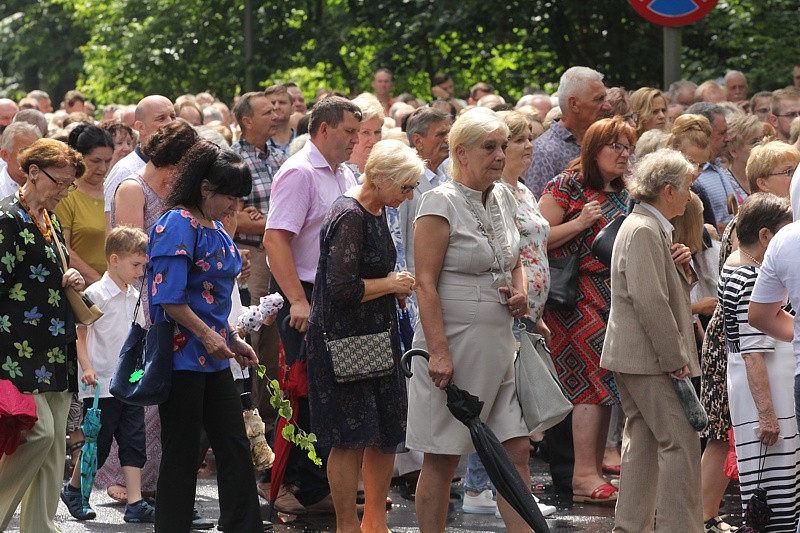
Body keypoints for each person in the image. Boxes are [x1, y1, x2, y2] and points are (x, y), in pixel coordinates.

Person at [407, 107, 531, 532]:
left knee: (515, 448)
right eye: (489, 147)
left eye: (503, 146)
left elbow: (514, 258)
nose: (500, 155)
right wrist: (438, 352)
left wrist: (522, 292)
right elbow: (424, 282)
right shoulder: (437, 201)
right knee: (444, 454)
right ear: (460, 152)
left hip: (500, 339)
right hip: (454, 342)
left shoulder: (503, 195)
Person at [305, 139, 422, 532]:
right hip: (343, 343)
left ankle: (375, 523)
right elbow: (341, 288)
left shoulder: (373, 208)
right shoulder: (350, 214)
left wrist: (393, 289)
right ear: (381, 177)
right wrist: (390, 284)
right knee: (349, 437)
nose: (408, 197)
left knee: (385, 432)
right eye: (405, 187)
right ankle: (347, 525)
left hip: (375, 337)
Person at [147, 140, 262, 532]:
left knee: (234, 445)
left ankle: (243, 525)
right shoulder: (177, 223)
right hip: (181, 359)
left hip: (212, 356)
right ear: (204, 187)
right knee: (181, 452)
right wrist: (209, 337)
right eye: (228, 196)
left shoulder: (213, 225)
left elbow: (212, 297)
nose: (234, 205)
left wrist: (229, 336)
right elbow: (167, 297)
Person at [263, 95, 362, 514]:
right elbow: (275, 239)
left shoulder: (344, 173)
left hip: (332, 296)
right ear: (324, 129)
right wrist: (298, 301)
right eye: (350, 132)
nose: (356, 141)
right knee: (298, 394)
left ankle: (319, 486)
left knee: (326, 396)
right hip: (303, 295)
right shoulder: (299, 172)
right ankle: (283, 485)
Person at [601, 148, 700, 532]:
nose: (691, 197)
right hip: (651, 359)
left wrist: (683, 266)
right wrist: (674, 357)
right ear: (668, 191)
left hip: (638, 358)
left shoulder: (646, 225)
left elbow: (656, 292)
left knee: (641, 444)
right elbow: (648, 300)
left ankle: (631, 527)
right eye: (688, 188)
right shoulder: (644, 228)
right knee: (681, 444)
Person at [537, 116, 633, 503]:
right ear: (595, 150)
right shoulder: (567, 185)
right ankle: (582, 476)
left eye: (629, 147)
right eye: (617, 147)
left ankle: (591, 470)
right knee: (588, 388)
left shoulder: (627, 191)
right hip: (576, 300)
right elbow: (536, 240)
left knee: (605, 386)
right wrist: (579, 222)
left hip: (616, 299)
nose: (626, 154)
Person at [0, 138, 86, 533]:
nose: (65, 192)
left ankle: (40, 527)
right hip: (17, 348)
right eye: (60, 183)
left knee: (54, 450)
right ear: (33, 172)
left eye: (70, 185)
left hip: (55, 344)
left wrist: (71, 276)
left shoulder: (48, 219)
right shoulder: (7, 218)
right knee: (39, 434)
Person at [61, 226, 155, 523]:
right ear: (115, 259)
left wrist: (140, 371)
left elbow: (137, 335)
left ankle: (136, 502)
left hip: (127, 383)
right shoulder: (95, 294)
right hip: (100, 384)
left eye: (143, 265)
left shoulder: (134, 296)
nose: (140, 271)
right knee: (97, 444)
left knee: (133, 441)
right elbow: (79, 333)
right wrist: (86, 366)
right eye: (135, 265)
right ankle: (75, 490)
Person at [719, 193, 800, 532]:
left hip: (758, 390)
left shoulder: (736, 264)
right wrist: (767, 414)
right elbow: (753, 353)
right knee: (775, 488)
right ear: (766, 236)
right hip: (766, 397)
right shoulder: (751, 277)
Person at [525, 66, 612, 198]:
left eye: (605, 99)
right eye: (599, 99)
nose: (607, 106)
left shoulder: (605, 142)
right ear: (574, 104)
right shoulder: (544, 152)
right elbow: (537, 214)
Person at [103, 95, 176, 234]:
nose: (170, 123)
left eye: (173, 116)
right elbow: (115, 236)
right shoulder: (124, 171)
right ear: (140, 127)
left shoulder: (180, 166)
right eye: (161, 118)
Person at [54, 123, 114, 287]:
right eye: (95, 161)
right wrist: (101, 284)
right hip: (83, 291)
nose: (102, 168)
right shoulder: (66, 195)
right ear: (79, 157)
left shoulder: (115, 191)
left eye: (108, 161)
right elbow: (63, 247)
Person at [686, 102, 736, 231]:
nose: (728, 138)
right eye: (722, 133)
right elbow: (696, 222)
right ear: (703, 134)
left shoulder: (719, 166)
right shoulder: (692, 175)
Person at [0, 122, 42, 199]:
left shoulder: (49, 186)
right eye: (24, 151)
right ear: (5, 155)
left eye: (36, 151)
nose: (32, 157)